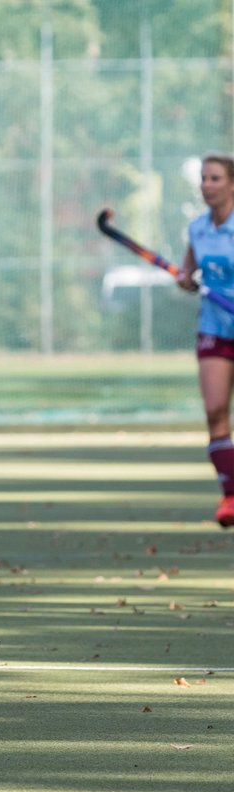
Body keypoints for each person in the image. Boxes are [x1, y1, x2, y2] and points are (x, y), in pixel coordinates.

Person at [176, 151, 234, 527]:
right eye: (203, 178)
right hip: (215, 328)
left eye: (214, 178)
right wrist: (184, 278)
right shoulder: (198, 228)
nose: (206, 185)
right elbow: (188, 271)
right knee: (215, 411)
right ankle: (231, 496)